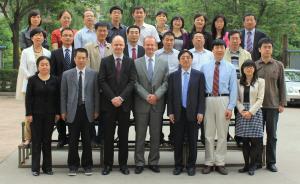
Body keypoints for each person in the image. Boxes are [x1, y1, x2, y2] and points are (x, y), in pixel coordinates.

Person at [98, 35, 136, 175]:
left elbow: (132, 82)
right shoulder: (105, 61)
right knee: (108, 136)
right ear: (111, 46)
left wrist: (121, 98)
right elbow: (101, 81)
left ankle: (123, 165)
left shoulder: (130, 62)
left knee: (124, 136)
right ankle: (107, 165)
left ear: (124, 46)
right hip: (108, 105)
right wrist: (113, 97)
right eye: (116, 45)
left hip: (124, 105)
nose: (118, 47)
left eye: (121, 45)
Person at [60, 48, 99, 176]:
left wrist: (96, 110)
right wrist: (63, 111)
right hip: (72, 110)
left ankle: (87, 165)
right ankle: (73, 166)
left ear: (87, 59)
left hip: (88, 110)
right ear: (74, 59)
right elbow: (63, 94)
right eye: (79, 58)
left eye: (84, 58)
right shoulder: (67, 74)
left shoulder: (93, 74)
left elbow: (96, 95)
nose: (81, 60)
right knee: (73, 140)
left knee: (87, 140)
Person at [201, 39, 237, 175]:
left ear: (225, 49)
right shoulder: (205, 67)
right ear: (212, 50)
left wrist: (230, 107)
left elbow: (233, 89)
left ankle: (220, 162)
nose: (219, 50)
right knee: (208, 134)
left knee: (222, 134)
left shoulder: (230, 67)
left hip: (224, 99)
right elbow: (201, 88)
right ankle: (209, 162)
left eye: (222, 47)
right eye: (216, 47)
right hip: (208, 100)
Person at [168, 50, 205, 176]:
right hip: (178, 113)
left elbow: (201, 96)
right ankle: (178, 165)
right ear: (179, 60)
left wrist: (201, 112)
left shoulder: (198, 75)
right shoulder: (173, 76)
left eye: (188, 57)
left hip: (193, 113)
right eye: (183, 57)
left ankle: (191, 166)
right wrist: (170, 112)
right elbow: (170, 96)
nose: (185, 59)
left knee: (192, 141)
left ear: (191, 60)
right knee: (177, 140)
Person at [134, 36, 168, 174]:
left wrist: (156, 96)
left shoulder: (163, 62)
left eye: (152, 45)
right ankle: (139, 162)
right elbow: (135, 82)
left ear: (156, 46)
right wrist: (147, 96)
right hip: (141, 104)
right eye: (147, 45)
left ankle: (154, 161)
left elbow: (166, 82)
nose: (149, 47)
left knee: (155, 135)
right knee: (140, 135)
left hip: (157, 104)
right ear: (144, 46)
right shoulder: (136, 62)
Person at [16, 27, 51, 147]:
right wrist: (32, 78)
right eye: (36, 35)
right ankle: (28, 137)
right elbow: (22, 67)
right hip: (30, 84)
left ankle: (41, 136)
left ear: (43, 38)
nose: (38, 37)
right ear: (31, 38)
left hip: (44, 85)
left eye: (41, 35)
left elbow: (48, 68)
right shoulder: (26, 51)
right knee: (29, 111)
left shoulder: (47, 52)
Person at [25, 56, 60, 176]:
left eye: (47, 64)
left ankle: (47, 167)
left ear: (50, 66)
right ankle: (35, 168)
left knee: (47, 141)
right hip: (35, 115)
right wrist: (28, 113)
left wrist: (57, 112)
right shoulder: (32, 80)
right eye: (42, 64)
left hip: (50, 115)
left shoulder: (55, 80)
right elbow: (28, 98)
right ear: (38, 66)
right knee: (36, 141)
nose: (44, 66)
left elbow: (57, 98)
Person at [255, 38, 286, 172]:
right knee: (257, 135)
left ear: (272, 49)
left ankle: (271, 162)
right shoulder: (255, 65)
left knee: (272, 135)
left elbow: (282, 85)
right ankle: (257, 161)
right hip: (257, 107)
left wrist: (282, 103)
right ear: (259, 49)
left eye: (269, 47)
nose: (267, 49)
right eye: (265, 47)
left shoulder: (278, 65)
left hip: (273, 106)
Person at [236, 60, 265, 176]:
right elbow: (236, 98)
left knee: (256, 141)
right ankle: (246, 165)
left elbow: (260, 99)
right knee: (245, 141)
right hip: (242, 112)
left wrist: (251, 112)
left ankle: (253, 165)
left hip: (255, 112)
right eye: (246, 67)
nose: (249, 69)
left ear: (254, 69)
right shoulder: (238, 82)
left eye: (251, 67)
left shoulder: (261, 81)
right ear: (243, 69)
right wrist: (242, 110)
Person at [51, 27, 76, 148]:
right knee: (61, 113)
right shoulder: (55, 53)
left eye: (70, 35)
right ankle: (62, 137)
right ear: (61, 38)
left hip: (75, 88)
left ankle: (72, 136)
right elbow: (53, 72)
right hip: (60, 88)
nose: (67, 37)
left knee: (72, 113)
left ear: (73, 37)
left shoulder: (78, 52)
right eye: (65, 35)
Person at [155, 31, 179, 144]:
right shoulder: (156, 54)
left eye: (171, 40)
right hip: (159, 89)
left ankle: (173, 137)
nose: (169, 42)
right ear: (162, 41)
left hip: (174, 89)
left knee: (173, 113)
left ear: (174, 41)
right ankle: (158, 137)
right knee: (158, 114)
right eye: (167, 40)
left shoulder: (179, 54)